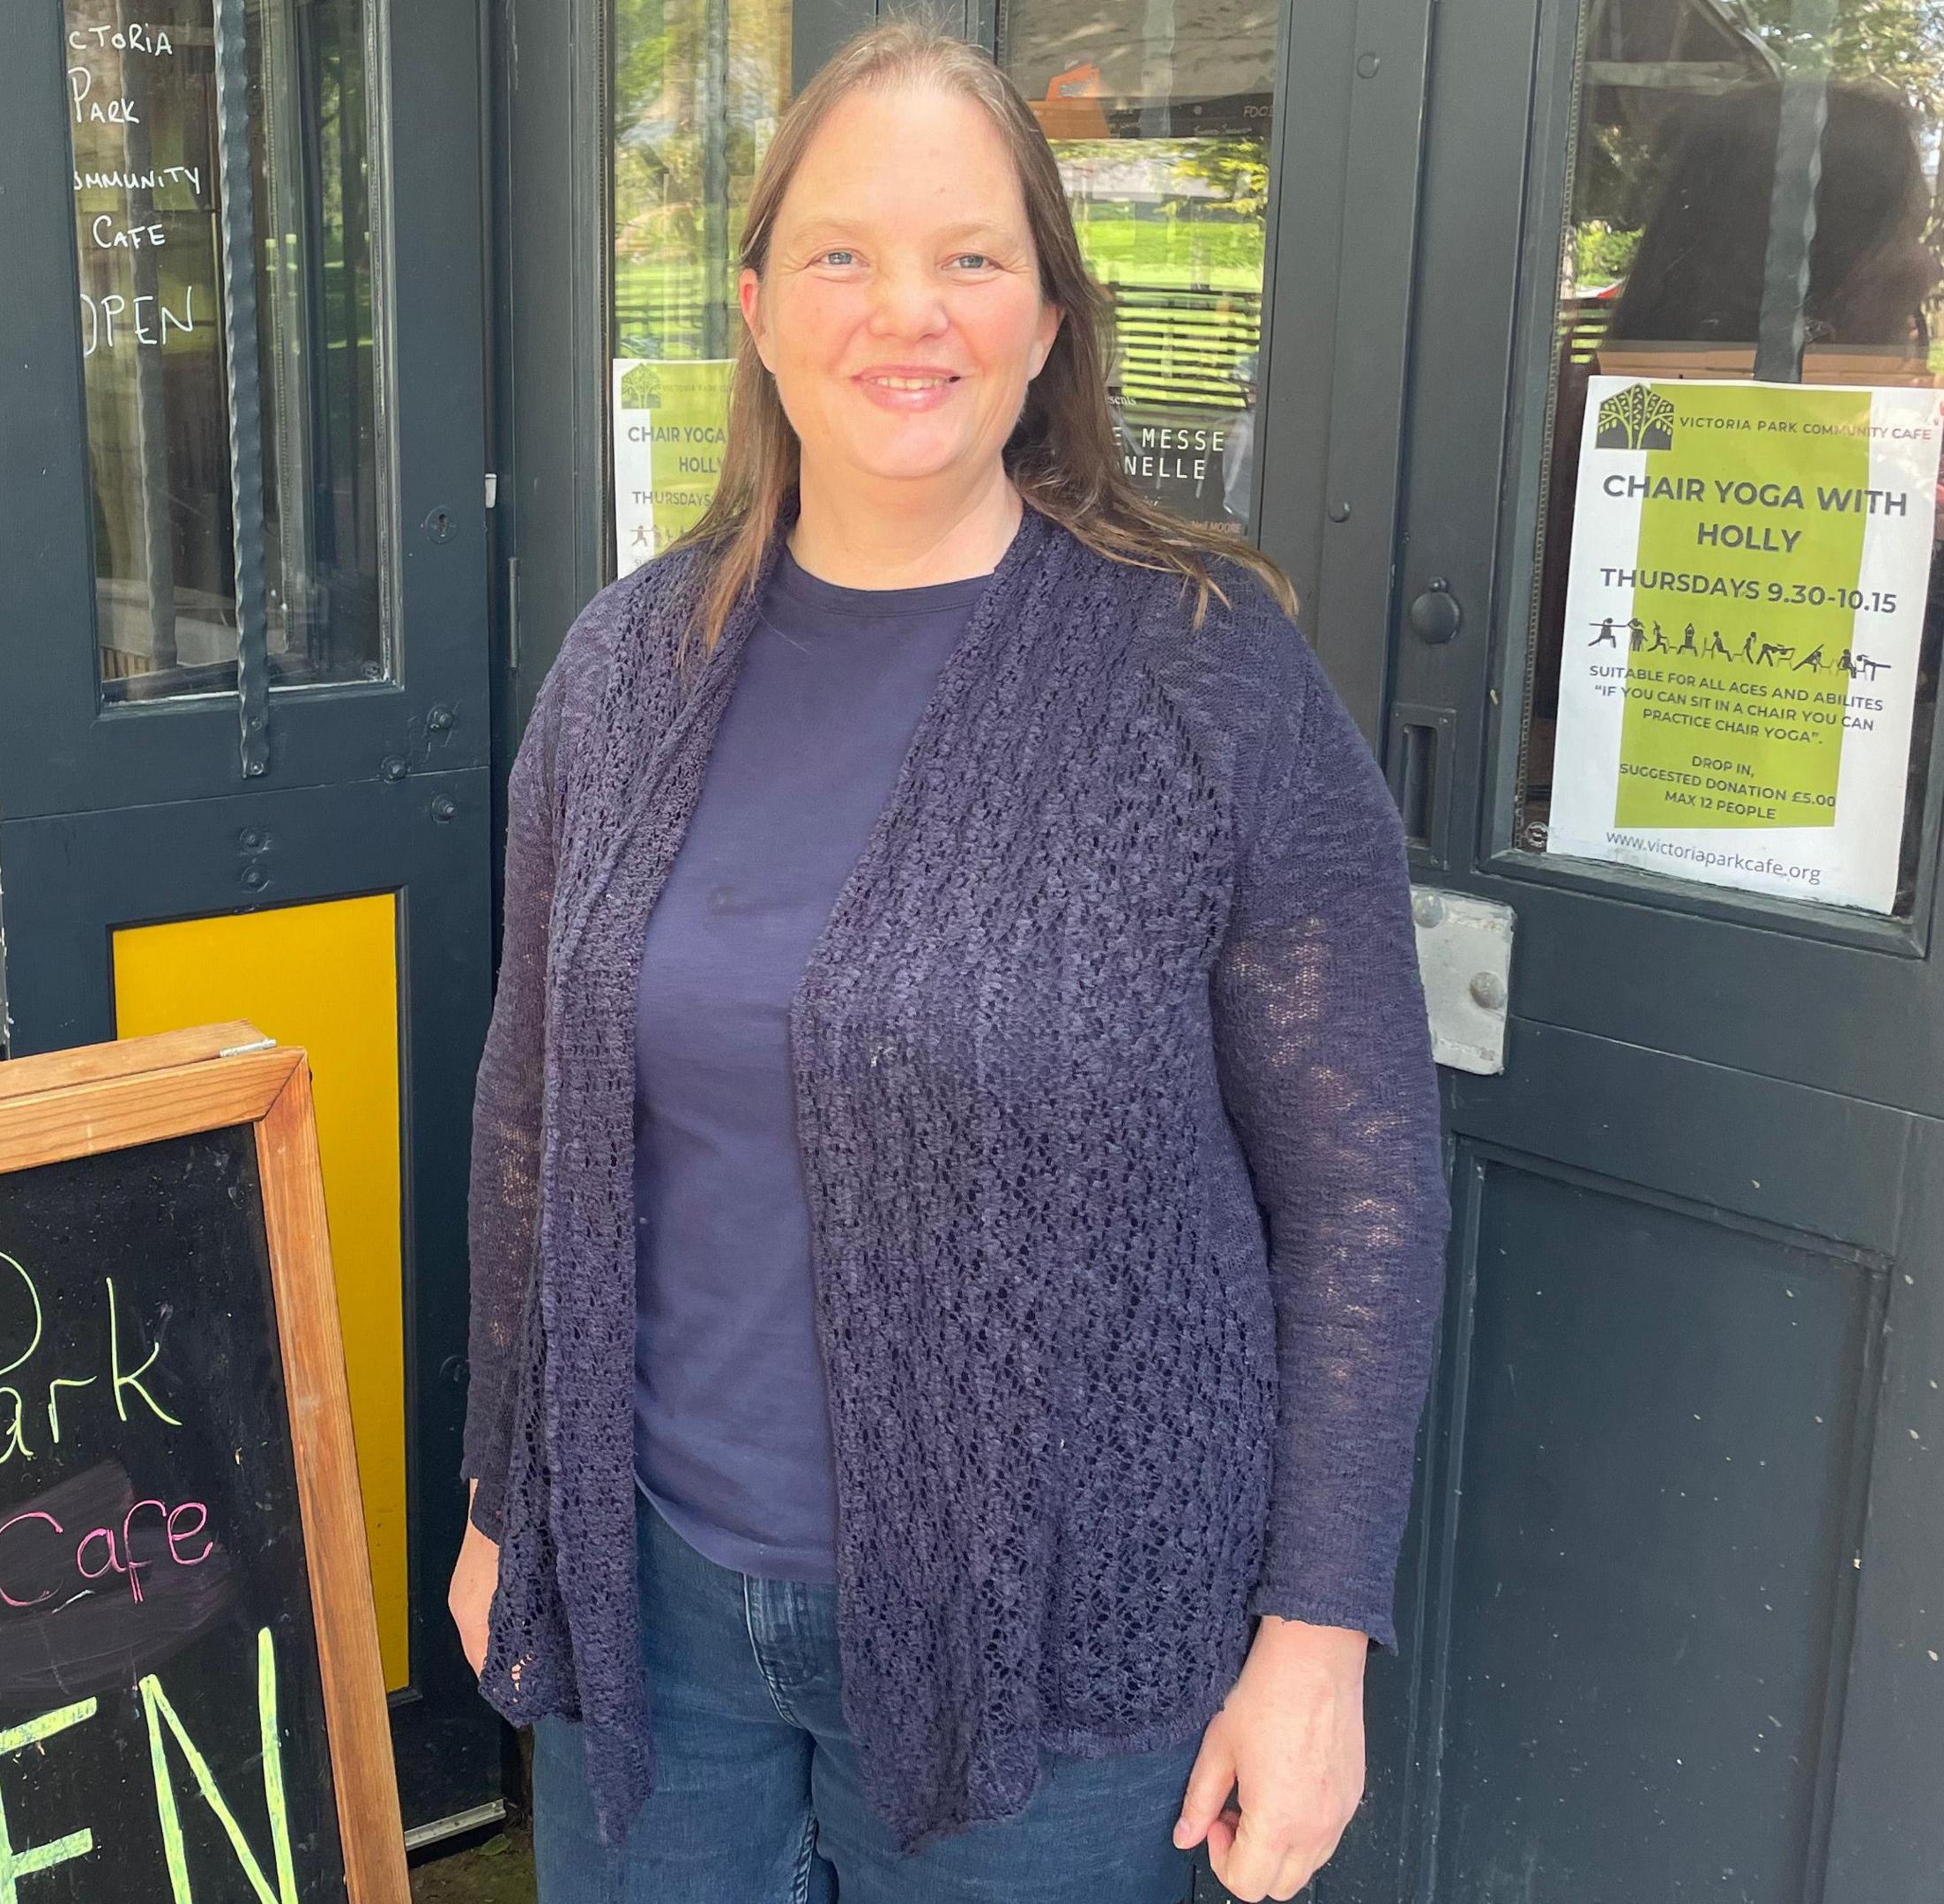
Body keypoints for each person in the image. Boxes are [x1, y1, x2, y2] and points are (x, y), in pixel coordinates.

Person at [448, 19, 1448, 1904]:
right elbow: (531, 1113)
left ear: (1049, 318)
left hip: (1058, 1655)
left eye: (971, 258)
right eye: (842, 254)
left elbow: (1365, 1185)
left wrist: (1319, 1637)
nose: (906, 313)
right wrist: (510, 1494)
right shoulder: (620, 669)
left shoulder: (1202, 671)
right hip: (654, 1610)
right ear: (752, 305)